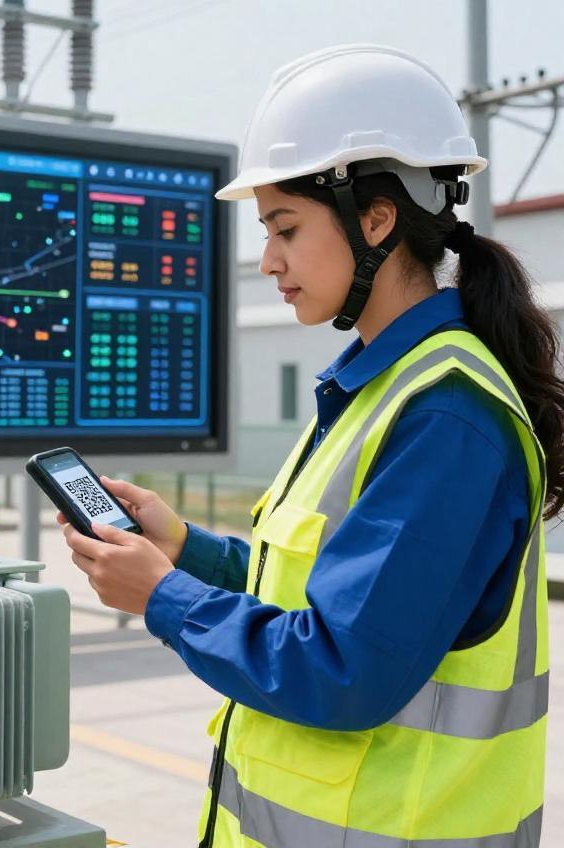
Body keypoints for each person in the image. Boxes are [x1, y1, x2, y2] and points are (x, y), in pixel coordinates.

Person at [57, 45, 564, 847]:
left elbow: (344, 667)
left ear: (376, 217)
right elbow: (315, 590)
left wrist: (161, 596)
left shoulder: (446, 419)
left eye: (285, 227)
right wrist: (181, 548)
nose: (270, 261)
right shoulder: (379, 390)